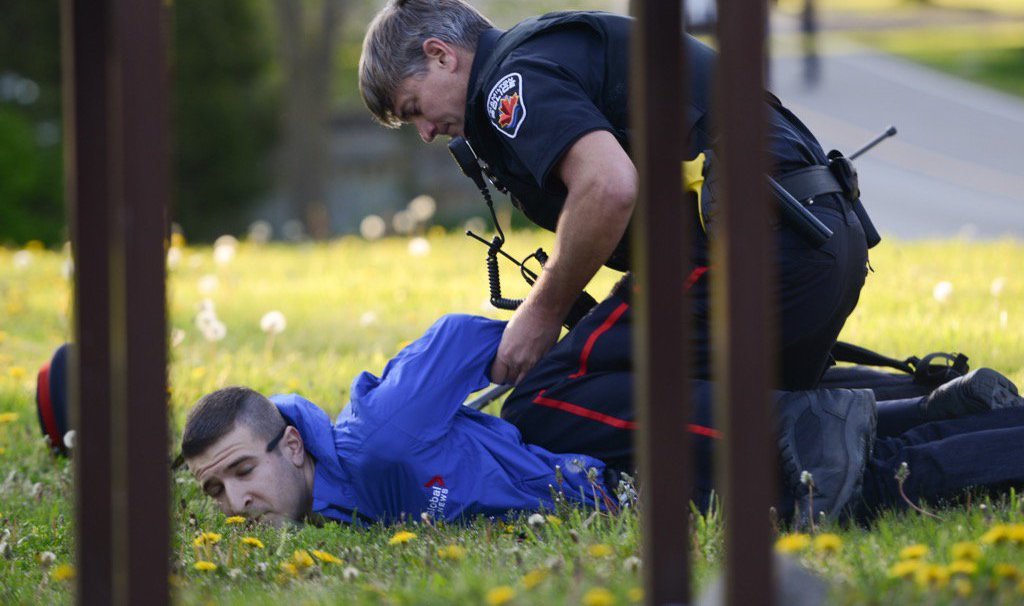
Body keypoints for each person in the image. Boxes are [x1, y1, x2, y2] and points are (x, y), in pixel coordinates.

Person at [358, 0, 873, 391]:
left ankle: (815, 444)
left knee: (553, 396)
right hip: (820, 236)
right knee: (752, 395)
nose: (425, 131)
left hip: (765, 249)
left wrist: (542, 311)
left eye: (414, 108)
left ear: (441, 55)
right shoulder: (546, 48)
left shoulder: (510, 83)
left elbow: (608, 186)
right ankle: (934, 413)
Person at [181, 313, 1024, 527]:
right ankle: (955, 407)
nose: (235, 504)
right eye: (218, 491)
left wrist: (540, 334)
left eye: (243, 472)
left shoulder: (385, 431)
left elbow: (465, 338)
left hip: (612, 471)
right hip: (611, 483)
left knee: (848, 489)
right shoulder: (337, 501)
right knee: (836, 463)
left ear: (292, 443)